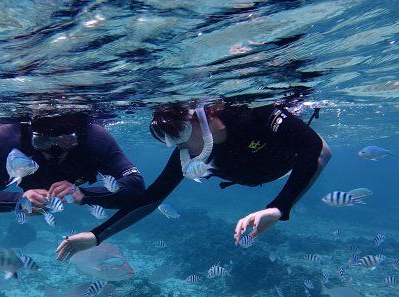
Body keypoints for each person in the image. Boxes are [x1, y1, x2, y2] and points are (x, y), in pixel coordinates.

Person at [56, 100, 332, 260]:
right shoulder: (186, 152)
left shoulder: (256, 115)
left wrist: (279, 208)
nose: (179, 145)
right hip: (254, 173)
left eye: (180, 131)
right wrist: (97, 235)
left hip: (288, 161)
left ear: (204, 114)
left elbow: (314, 149)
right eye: (167, 138)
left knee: (321, 151)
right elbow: (152, 197)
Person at [0, 112, 145, 213]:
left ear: (79, 135)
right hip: (3, 179)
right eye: (42, 142)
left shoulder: (94, 138)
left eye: (66, 141)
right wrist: (17, 201)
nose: (54, 150)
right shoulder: (6, 137)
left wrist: (85, 195)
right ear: (30, 133)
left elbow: (135, 185)